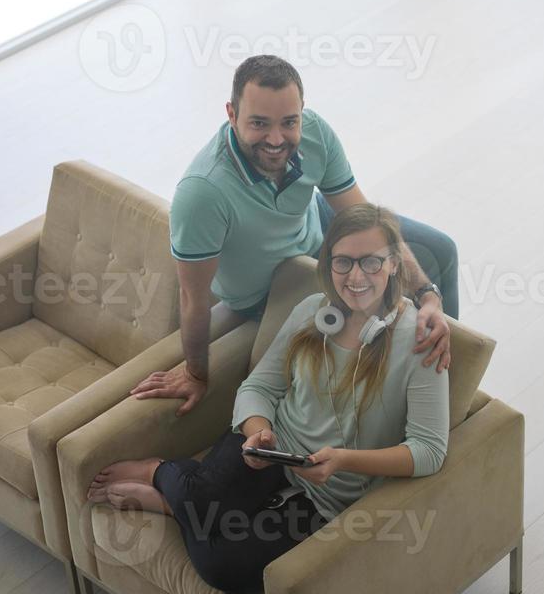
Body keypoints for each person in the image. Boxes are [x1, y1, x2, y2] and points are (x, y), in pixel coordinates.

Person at [88, 204, 450, 594]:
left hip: (329, 493)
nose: (356, 276)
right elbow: (259, 387)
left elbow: (429, 450)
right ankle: (164, 475)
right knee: (208, 502)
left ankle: (168, 495)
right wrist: (257, 433)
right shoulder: (311, 313)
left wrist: (345, 460)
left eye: (371, 262)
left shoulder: (421, 342)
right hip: (273, 448)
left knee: (225, 567)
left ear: (395, 264)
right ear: (328, 264)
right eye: (342, 262)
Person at [130, 55, 458, 416]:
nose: (275, 139)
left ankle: (445, 378)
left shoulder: (315, 131)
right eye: (258, 123)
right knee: (381, 319)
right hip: (275, 286)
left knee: (439, 250)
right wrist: (196, 372)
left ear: (302, 110)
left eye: (289, 122)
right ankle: (426, 403)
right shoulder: (202, 194)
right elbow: (192, 297)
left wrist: (428, 295)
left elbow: (364, 220)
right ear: (231, 114)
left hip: (316, 227)